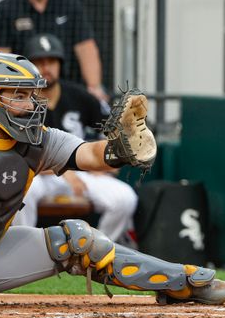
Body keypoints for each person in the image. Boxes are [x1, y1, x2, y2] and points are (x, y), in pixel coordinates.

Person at [0, 51, 225, 303]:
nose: (30, 106)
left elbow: (90, 154)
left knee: (79, 241)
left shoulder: (37, 140)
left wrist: (120, 148)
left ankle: (181, 283)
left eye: (31, 95)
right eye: (19, 96)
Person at [12, 33, 138, 244]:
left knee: (124, 197)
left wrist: (108, 161)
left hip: (82, 169)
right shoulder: (20, 101)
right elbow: (16, 155)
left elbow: (114, 130)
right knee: (20, 191)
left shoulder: (79, 95)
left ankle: (100, 253)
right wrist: (64, 170)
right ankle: (21, 251)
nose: (46, 67)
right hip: (40, 174)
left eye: (51, 61)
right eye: (39, 62)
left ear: (61, 64)